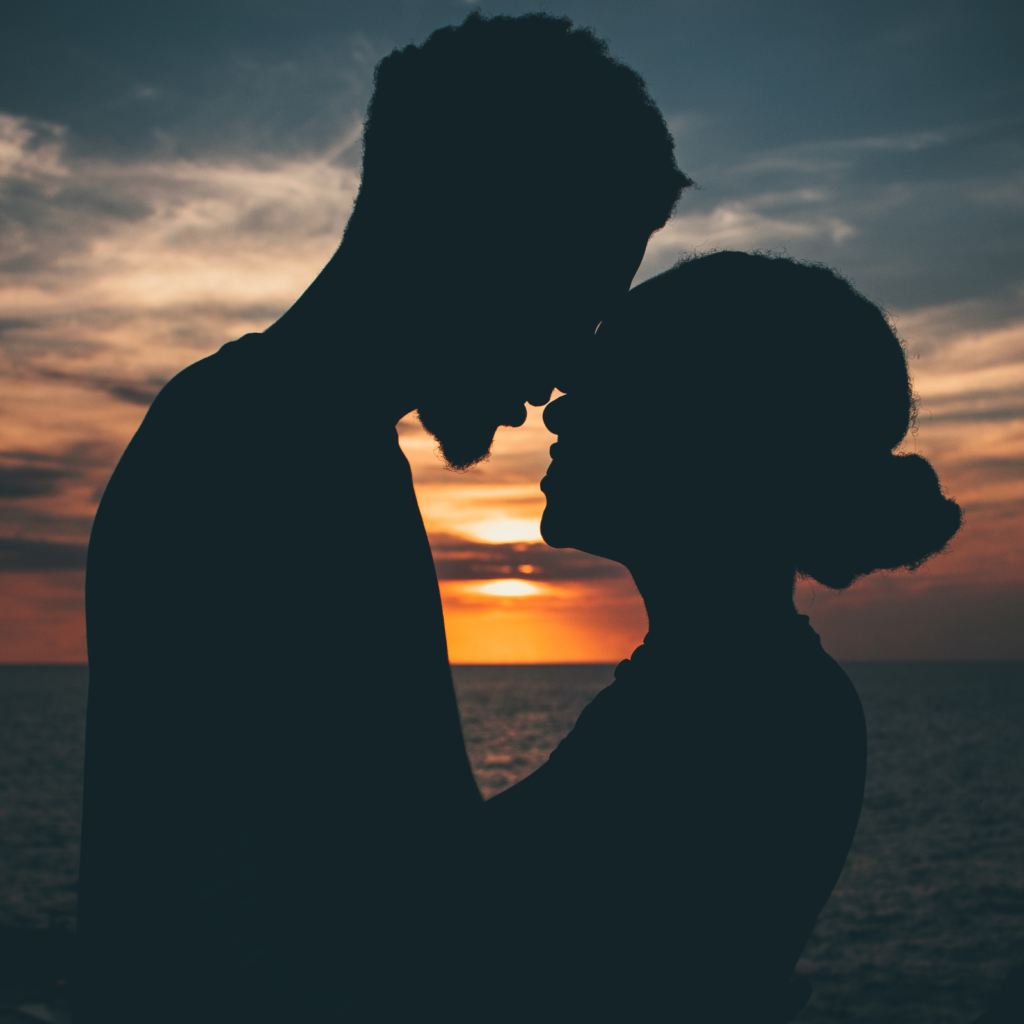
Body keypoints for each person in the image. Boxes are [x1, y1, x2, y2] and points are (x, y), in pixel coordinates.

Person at [76, 13, 691, 1023]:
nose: (564, 371)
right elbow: (407, 895)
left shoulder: (279, 431)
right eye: (576, 302)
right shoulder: (276, 455)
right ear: (487, 236)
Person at [485, 251, 964, 1022]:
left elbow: (445, 912)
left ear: (710, 434)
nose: (558, 412)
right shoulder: (738, 686)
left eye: (607, 387)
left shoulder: (729, 709)